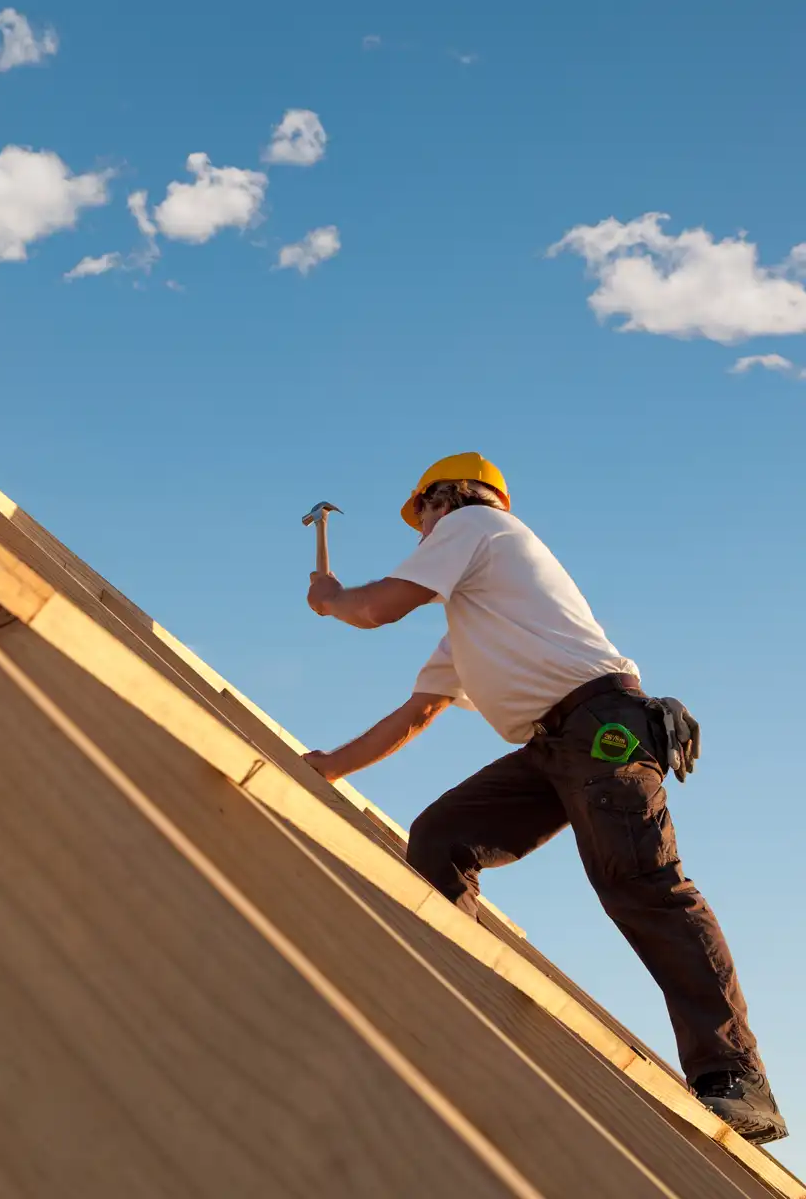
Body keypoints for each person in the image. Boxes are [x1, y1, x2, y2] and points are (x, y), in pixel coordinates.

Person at [302, 452, 786, 1145]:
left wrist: (329, 598)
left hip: (603, 728)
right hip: (554, 746)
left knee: (642, 883)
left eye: (421, 517)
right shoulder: (474, 614)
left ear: (450, 498)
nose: (420, 537)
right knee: (442, 837)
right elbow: (416, 715)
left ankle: (736, 1079)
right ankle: (460, 999)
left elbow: (374, 608)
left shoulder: (481, 525)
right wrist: (329, 769)